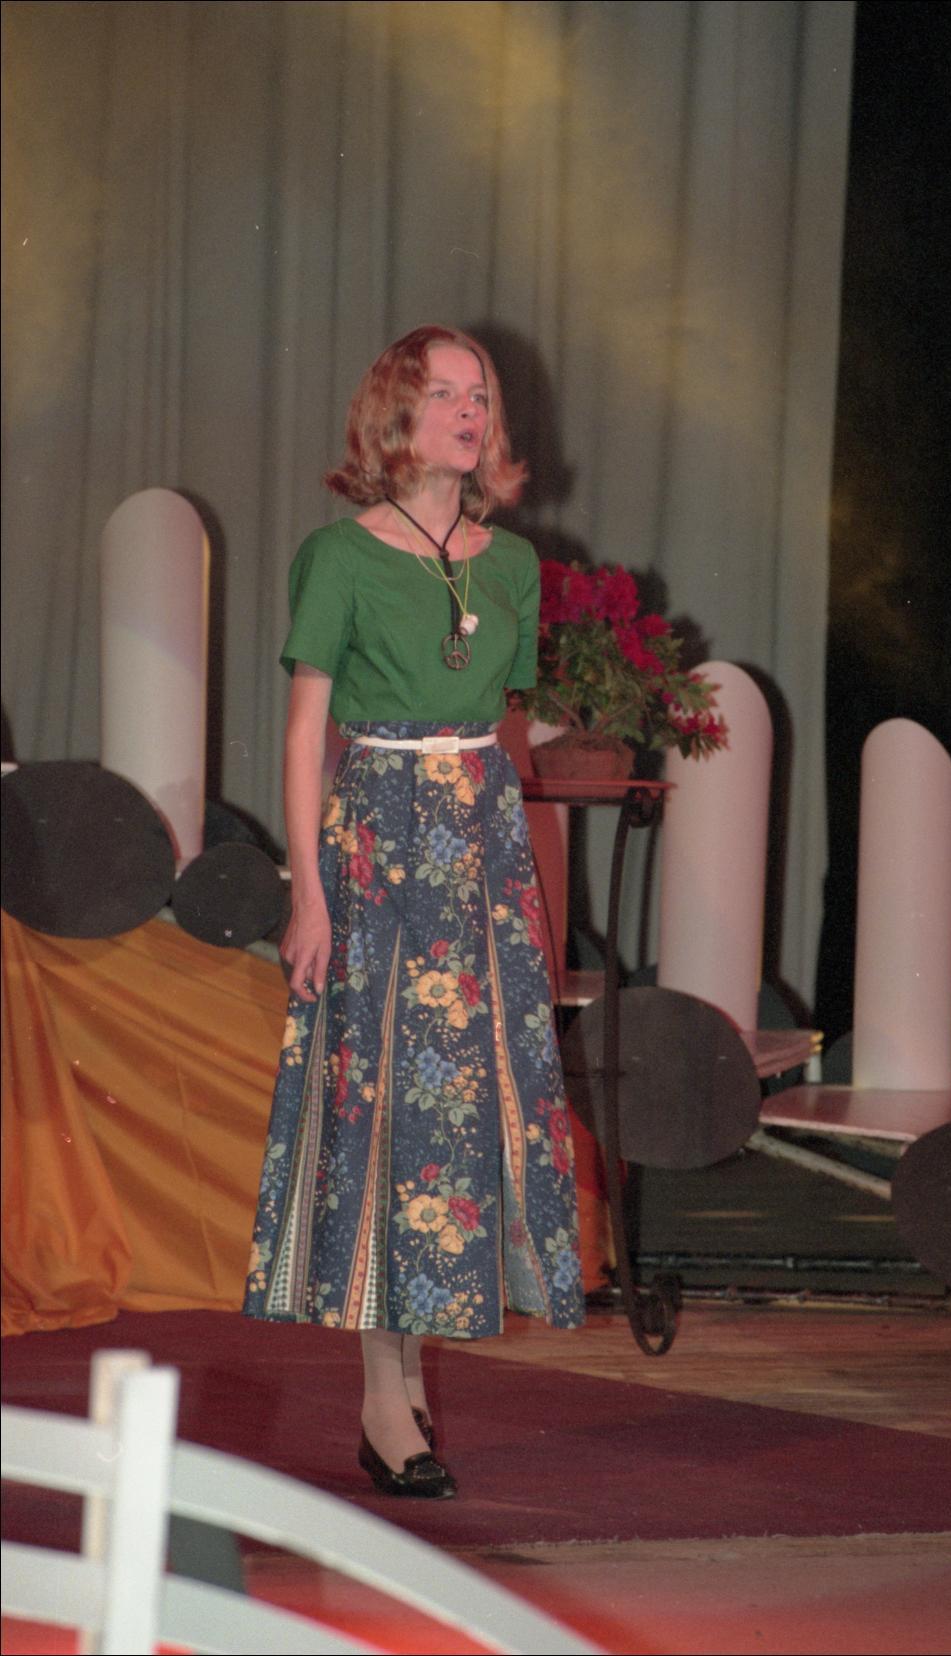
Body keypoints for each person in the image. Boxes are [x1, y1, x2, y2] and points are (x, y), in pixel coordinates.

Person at [243, 324, 585, 1499]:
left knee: (464, 1118)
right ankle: (386, 1397)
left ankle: (412, 1374)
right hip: (376, 847)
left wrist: (530, 896)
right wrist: (307, 893)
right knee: (382, 1113)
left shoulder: (512, 564)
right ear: (395, 413)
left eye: (479, 394)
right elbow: (305, 736)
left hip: (480, 849)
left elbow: (506, 734)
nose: (469, 411)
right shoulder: (339, 556)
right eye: (444, 393)